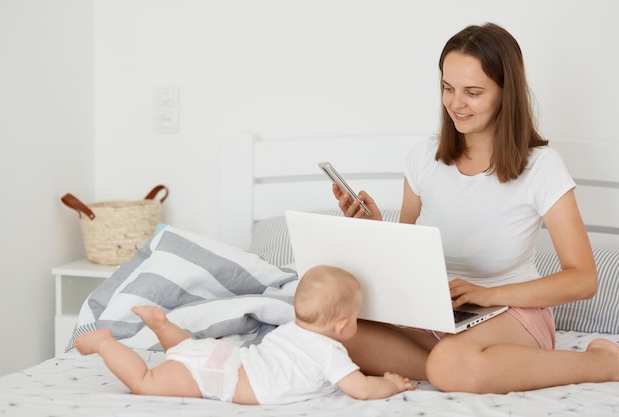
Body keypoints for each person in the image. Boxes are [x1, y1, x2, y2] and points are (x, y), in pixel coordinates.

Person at [332, 22, 619, 394]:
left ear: (505, 93)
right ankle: (457, 364)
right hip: (439, 314)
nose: (456, 103)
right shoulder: (423, 159)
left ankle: (601, 363)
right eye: (448, 89)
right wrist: (375, 228)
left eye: (473, 92)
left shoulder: (541, 167)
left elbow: (583, 279)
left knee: (449, 362)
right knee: (333, 329)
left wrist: (489, 294)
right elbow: (407, 257)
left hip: (512, 313)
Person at [74, 265, 414, 404]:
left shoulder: (292, 329)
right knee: (145, 381)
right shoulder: (330, 353)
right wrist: (392, 384)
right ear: (342, 326)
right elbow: (362, 389)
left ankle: (163, 327)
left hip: (222, 356)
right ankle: (105, 343)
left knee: (183, 349)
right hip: (218, 376)